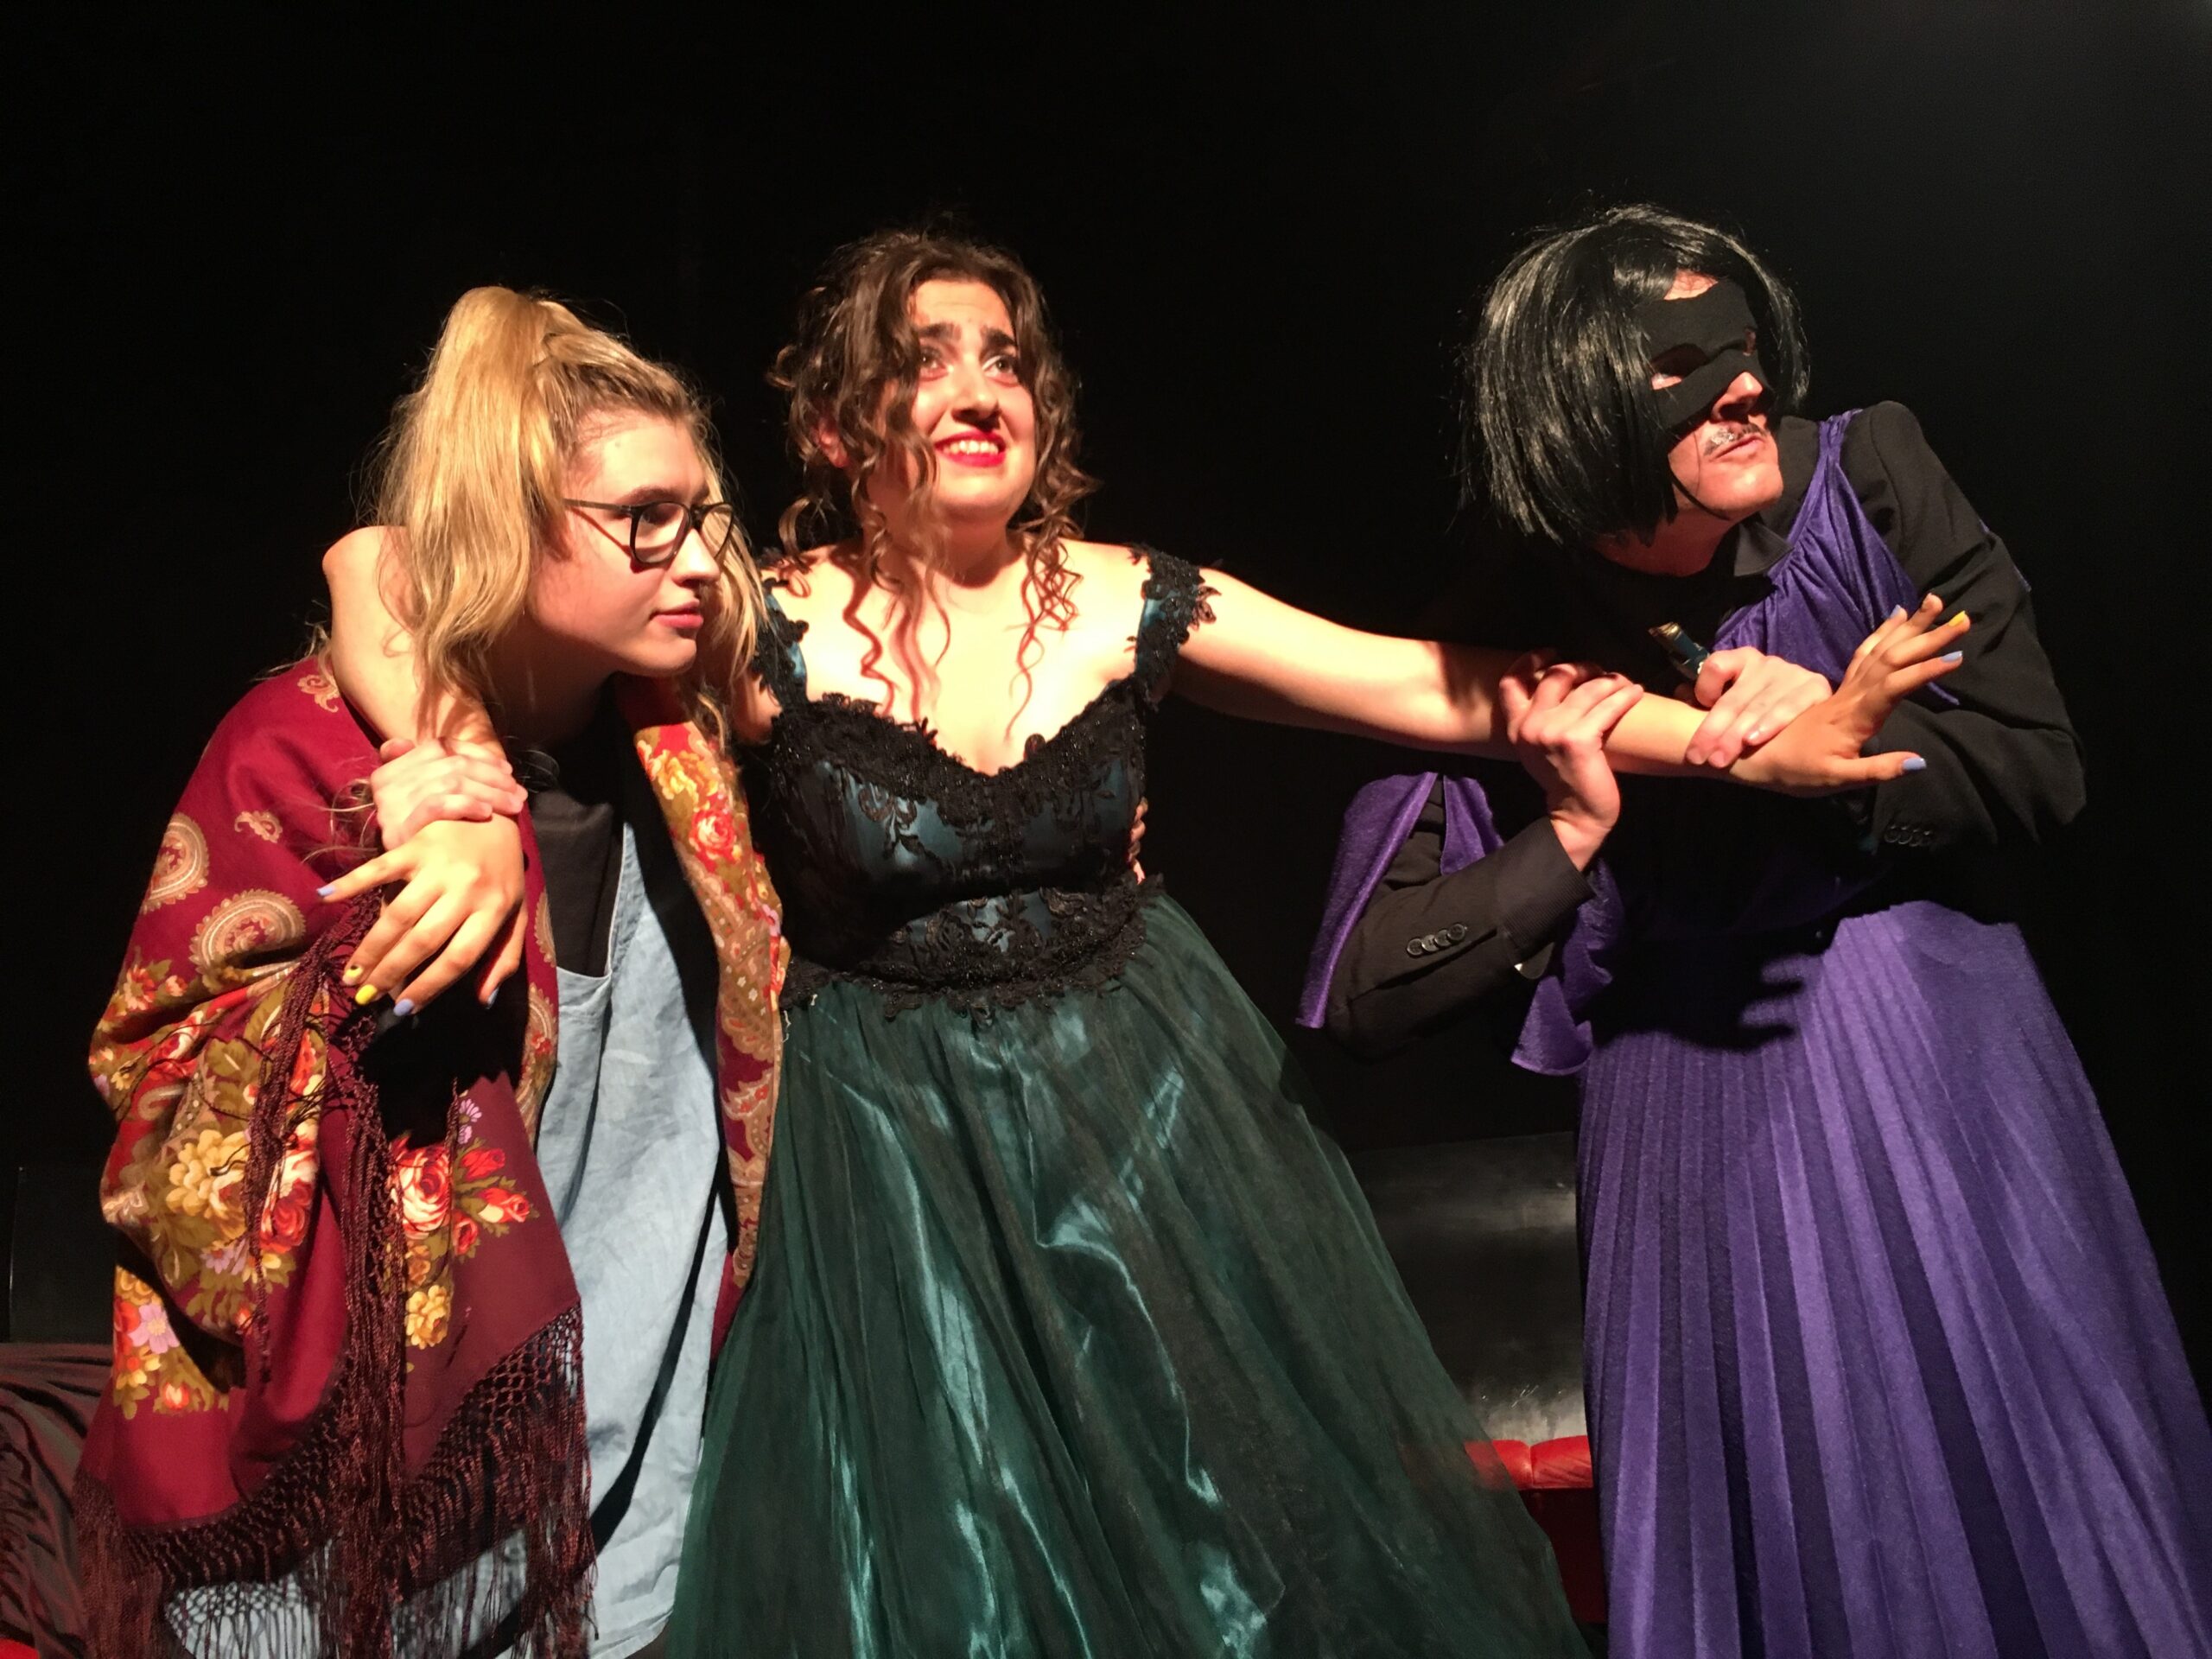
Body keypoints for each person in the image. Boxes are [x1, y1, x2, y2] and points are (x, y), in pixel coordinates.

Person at [324, 230, 1959, 1656]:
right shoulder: (758, 620)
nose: (981, 388)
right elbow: (382, 560)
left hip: (1142, 1123)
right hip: (891, 1154)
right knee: (952, 1558)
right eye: (926, 359)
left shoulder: (1126, 599)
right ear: (835, 423)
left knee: (1217, 1537)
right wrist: (445, 775)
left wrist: (1731, 748)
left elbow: (1446, 690)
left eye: (1006, 359)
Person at [1305, 206, 2212, 1658]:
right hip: (1692, 1116)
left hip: (1941, 1060)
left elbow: (2042, 763)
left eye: (1742, 347)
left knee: (2021, 1476)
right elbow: (1369, 987)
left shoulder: (1869, 475)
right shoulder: (1514, 617)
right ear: (1575, 402)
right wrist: (1570, 833)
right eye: (1679, 364)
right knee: (1791, 1519)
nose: (1743, 387)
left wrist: (1849, 748)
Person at [77, 287, 783, 1658]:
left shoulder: (688, 761)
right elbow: (159, 1072)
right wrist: (376, 961)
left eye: (703, 515)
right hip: (370, 1486)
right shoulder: (310, 752)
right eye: (645, 519)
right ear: (511, 519)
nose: (700, 559)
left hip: (618, 1460)